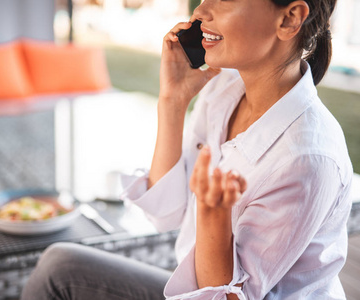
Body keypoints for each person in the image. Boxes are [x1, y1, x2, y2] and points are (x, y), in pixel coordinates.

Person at [21, 0, 353, 299]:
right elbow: (165, 213)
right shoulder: (225, 88)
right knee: (59, 266)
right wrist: (173, 101)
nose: (200, 11)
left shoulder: (307, 159)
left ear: (290, 18)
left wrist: (213, 215)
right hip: (194, 291)